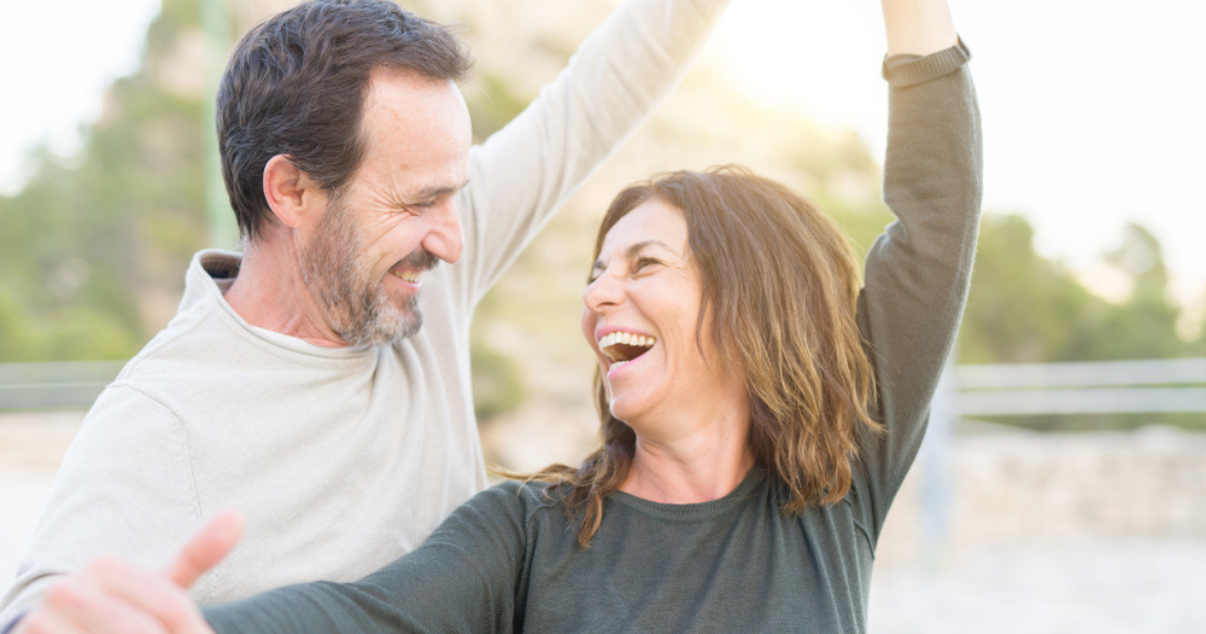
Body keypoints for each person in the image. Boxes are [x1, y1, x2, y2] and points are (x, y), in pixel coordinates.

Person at [11, 0, 980, 631]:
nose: (456, 235)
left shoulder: (415, 275)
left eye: (455, 193)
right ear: (293, 192)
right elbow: (365, 614)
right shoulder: (165, 416)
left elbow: (602, 90)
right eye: (420, 200)